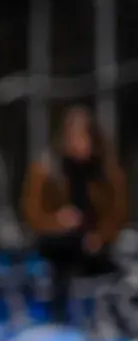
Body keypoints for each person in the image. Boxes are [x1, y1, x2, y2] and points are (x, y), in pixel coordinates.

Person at [21, 105, 129, 321]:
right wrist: (58, 221)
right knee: (62, 255)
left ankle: (112, 315)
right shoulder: (46, 168)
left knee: (112, 266)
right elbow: (32, 214)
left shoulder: (107, 171)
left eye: (82, 138)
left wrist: (99, 237)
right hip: (58, 241)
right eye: (73, 138)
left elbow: (117, 214)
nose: (78, 144)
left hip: (95, 244)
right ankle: (60, 316)